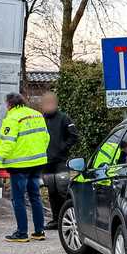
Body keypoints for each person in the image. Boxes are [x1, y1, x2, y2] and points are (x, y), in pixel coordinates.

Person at [0, 92, 51, 243]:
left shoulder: (12, 118)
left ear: (9, 104)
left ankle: (22, 233)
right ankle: (39, 231)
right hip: (37, 163)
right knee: (35, 196)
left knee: (18, 199)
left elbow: (6, 144)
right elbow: (46, 137)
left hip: (19, 165)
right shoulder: (37, 115)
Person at [38, 91, 79, 230]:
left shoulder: (64, 118)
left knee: (62, 191)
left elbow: (74, 136)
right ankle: (56, 220)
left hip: (60, 161)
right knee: (51, 192)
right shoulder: (40, 119)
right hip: (46, 162)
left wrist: (62, 148)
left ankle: (65, 219)